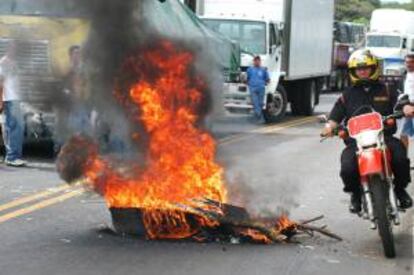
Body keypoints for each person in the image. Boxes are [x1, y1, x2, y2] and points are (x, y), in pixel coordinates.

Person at [321, 49, 413, 212]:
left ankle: (400, 190)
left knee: (400, 158)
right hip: (356, 143)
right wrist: (329, 127)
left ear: (373, 68)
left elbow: (400, 100)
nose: (362, 71)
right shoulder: (347, 94)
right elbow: (335, 115)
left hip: (383, 138)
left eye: (366, 67)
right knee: (347, 167)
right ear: (353, 71)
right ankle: (356, 194)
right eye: (358, 69)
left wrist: (405, 107)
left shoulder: (387, 88)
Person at [0, 41, 26, 167]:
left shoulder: (14, 63)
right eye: (14, 48)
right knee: (15, 128)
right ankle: (12, 157)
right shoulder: (4, 62)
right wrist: (1, 101)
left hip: (16, 99)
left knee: (17, 128)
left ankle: (14, 156)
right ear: (9, 49)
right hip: (10, 99)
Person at [246, 56, 270, 120]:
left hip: (261, 88)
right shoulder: (250, 69)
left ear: (260, 61)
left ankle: (258, 117)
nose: (257, 62)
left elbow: (267, 79)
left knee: (260, 103)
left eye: (258, 61)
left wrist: (266, 82)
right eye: (255, 61)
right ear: (253, 62)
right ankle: (259, 115)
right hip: (252, 88)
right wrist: (247, 82)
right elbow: (247, 78)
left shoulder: (263, 69)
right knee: (255, 102)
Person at [400, 54, 414, 149]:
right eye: (407, 62)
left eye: (412, 62)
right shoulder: (403, 75)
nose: (409, 64)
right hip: (406, 108)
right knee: (403, 134)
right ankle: (404, 159)